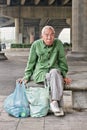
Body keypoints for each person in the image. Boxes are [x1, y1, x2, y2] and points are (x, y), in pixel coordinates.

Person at [18, 25, 71, 116]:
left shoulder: (58, 43)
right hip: (41, 74)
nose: (49, 37)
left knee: (54, 72)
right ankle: (58, 104)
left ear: (54, 35)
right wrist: (26, 76)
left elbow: (62, 61)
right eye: (46, 35)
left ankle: (54, 102)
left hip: (55, 72)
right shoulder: (36, 45)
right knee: (55, 78)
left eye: (51, 35)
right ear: (42, 36)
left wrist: (65, 75)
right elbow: (31, 62)